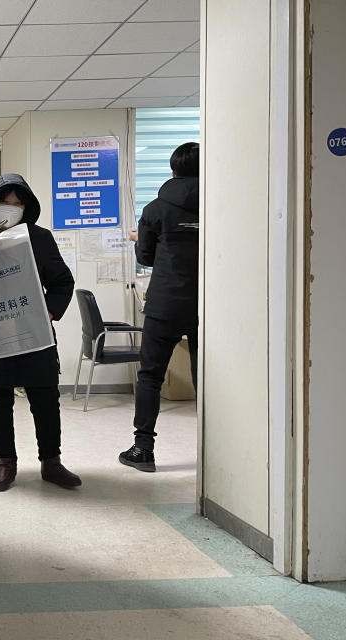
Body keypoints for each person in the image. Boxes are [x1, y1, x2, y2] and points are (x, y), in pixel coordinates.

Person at [0, 174, 79, 492]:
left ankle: (51, 462)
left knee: (45, 398)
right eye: (5, 202)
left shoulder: (39, 238)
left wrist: (50, 311)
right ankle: (5, 463)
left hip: (33, 332)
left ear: (28, 207)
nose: (11, 209)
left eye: (18, 203)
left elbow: (62, 281)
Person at [119, 142, 200, 472]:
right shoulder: (220, 202)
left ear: (173, 171)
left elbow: (147, 257)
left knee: (151, 376)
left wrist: (142, 240)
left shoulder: (155, 209)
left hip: (165, 303)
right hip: (207, 305)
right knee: (208, 379)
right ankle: (217, 449)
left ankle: (143, 449)